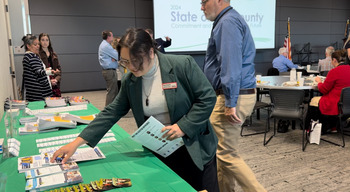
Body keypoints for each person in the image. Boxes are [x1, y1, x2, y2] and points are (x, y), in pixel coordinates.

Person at [51, 28, 219, 192]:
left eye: (136, 60)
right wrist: (77, 143)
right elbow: (112, 112)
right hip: (160, 149)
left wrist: (184, 126)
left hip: (193, 147)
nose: (131, 67)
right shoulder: (130, 80)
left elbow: (207, 98)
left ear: (151, 52)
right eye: (125, 61)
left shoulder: (182, 65)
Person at [201, 1, 266, 192]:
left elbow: (231, 65)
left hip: (232, 96)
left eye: (204, 1)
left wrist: (230, 102)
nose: (201, 7)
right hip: (234, 95)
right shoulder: (227, 20)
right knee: (222, 153)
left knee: (227, 155)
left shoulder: (227, 22)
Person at [305, 49, 350, 133]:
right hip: (347, 103)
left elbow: (323, 90)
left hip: (336, 103)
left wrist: (319, 82)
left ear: (334, 60)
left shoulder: (334, 71)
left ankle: (310, 129)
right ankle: (333, 126)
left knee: (313, 100)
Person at [21, 34, 52, 101]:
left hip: (34, 91)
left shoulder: (27, 56)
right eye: (35, 45)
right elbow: (39, 72)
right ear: (28, 46)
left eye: (38, 44)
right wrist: (51, 72)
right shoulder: (31, 56)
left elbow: (35, 70)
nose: (38, 46)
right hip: (39, 92)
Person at [98, 30, 119, 106]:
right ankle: (108, 109)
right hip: (110, 71)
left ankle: (111, 108)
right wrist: (114, 57)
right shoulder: (106, 46)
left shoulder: (104, 44)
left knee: (113, 91)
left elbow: (115, 57)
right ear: (108, 37)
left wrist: (114, 58)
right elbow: (117, 56)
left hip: (108, 71)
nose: (113, 38)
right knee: (112, 92)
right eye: (112, 36)